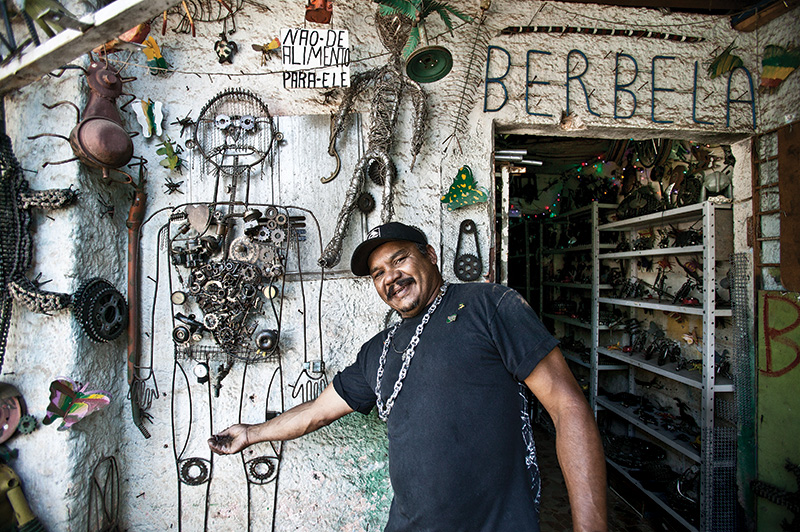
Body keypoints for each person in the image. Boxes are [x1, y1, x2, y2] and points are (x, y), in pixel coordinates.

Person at [209, 222, 608, 532]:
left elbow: (568, 407)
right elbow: (317, 411)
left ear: (430, 255)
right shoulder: (377, 351)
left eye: (399, 259)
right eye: (378, 272)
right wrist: (252, 432)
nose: (390, 277)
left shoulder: (489, 305)